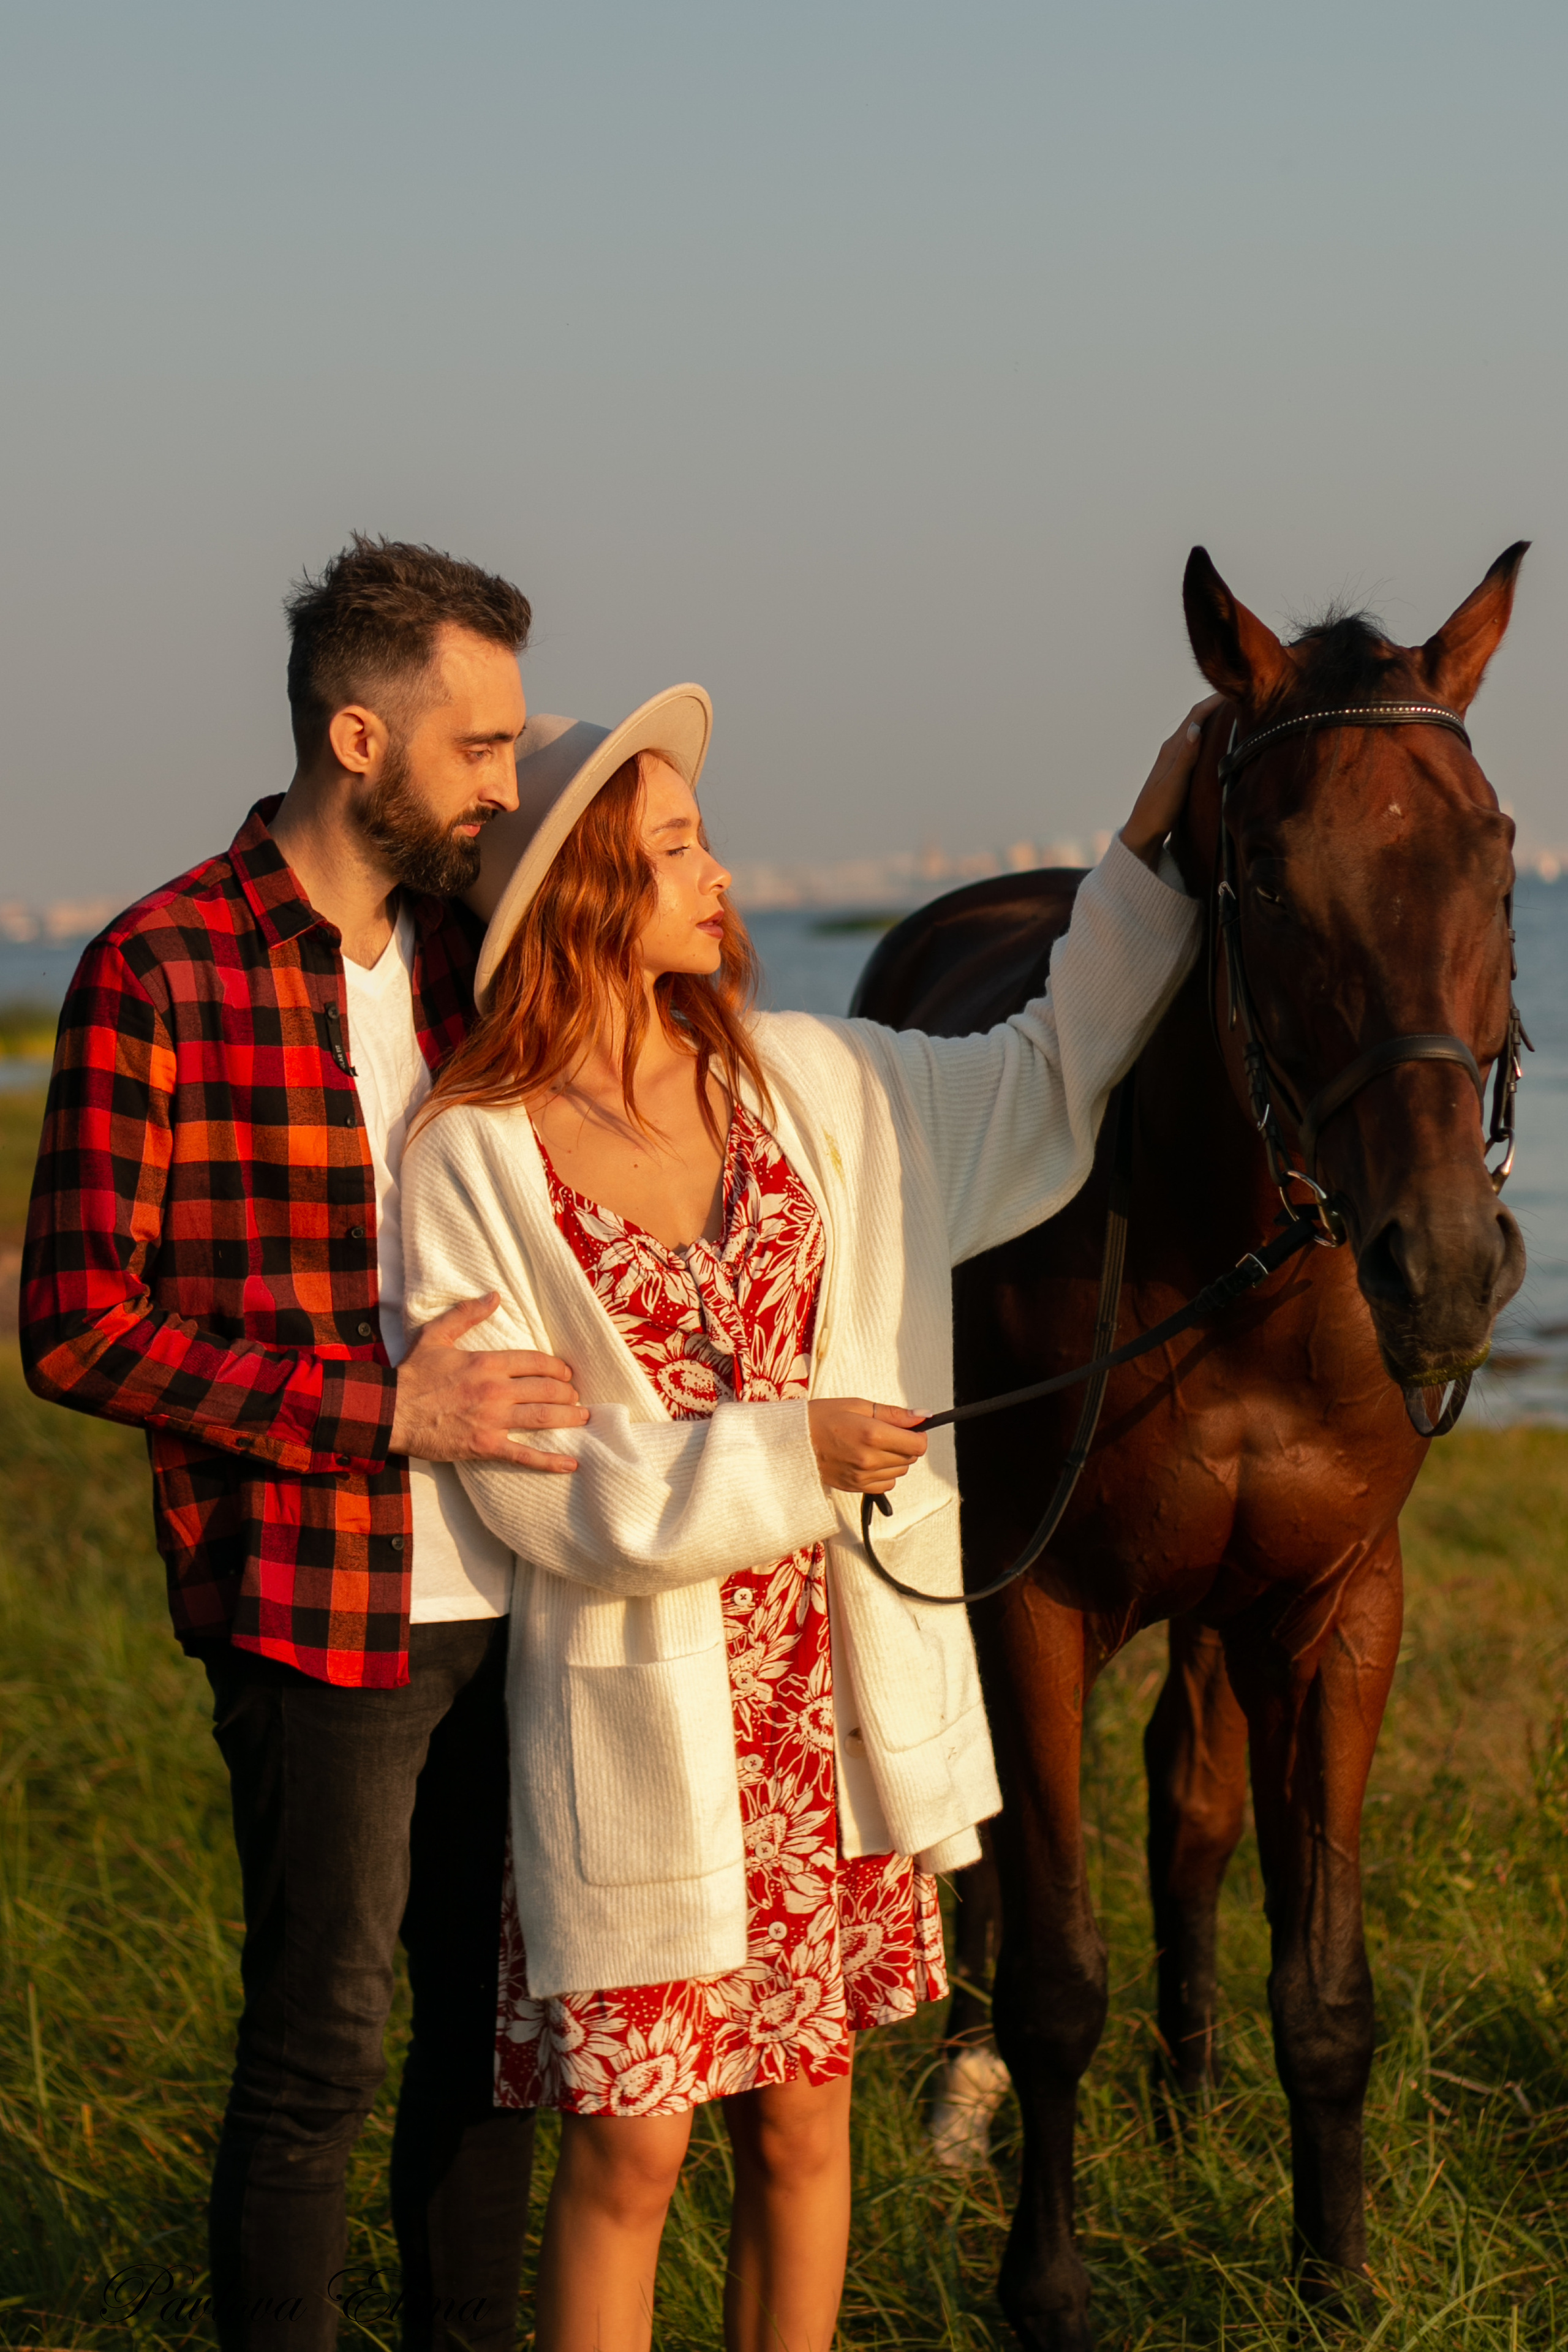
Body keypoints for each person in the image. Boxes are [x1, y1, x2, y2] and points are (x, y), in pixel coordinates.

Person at [400, 682, 1216, 2351]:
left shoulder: (815, 1085)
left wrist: (1147, 845)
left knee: (809, 2122)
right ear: (581, 897)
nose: (719, 877)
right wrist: (792, 1451)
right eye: (676, 849)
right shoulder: (469, 1157)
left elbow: (1052, 1073)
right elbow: (525, 1485)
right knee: (631, 2150)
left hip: (826, 1708)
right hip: (641, 1717)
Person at [20, 537, 593, 2352]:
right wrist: (377, 1407)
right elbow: (72, 1323)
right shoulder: (158, 968)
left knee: (491, 2040)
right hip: (311, 1604)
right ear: (361, 737)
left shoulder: (467, 959)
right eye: (482, 747)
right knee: (322, 2049)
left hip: (523, 1582)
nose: (507, 784)